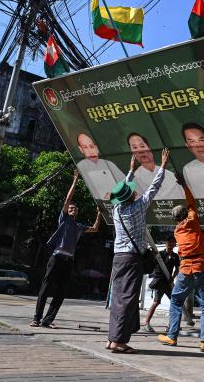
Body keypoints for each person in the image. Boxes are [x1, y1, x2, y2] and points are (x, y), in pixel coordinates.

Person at [107, 149, 169, 354]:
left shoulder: (117, 211)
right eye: (132, 190)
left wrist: (131, 171)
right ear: (131, 196)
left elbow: (122, 193)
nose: (136, 191)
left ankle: (112, 338)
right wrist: (163, 166)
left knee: (118, 297)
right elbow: (154, 188)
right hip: (132, 259)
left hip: (118, 257)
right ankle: (119, 342)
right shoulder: (138, 207)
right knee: (127, 298)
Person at [31, 169, 101, 329]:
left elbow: (95, 229)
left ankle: (47, 320)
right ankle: (36, 318)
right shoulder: (64, 220)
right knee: (46, 288)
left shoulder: (78, 226)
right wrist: (75, 179)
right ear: (67, 210)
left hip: (68, 261)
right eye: (70, 208)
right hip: (56, 257)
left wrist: (99, 214)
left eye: (75, 209)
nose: (73, 210)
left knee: (61, 292)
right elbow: (68, 199)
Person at [157, 174, 204, 352]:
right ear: (186, 214)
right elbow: (191, 202)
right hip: (201, 266)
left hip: (185, 268)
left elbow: (193, 237)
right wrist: (184, 185)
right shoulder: (193, 220)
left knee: (176, 300)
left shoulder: (177, 232)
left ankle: (172, 336)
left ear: (176, 219)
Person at [127, 133, 184, 200]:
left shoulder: (170, 173)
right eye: (135, 147)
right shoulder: (134, 180)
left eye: (142, 146)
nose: (140, 151)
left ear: (149, 148)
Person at [143, 236, 180, 332]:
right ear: (166, 243)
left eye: (173, 243)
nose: (171, 245)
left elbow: (177, 269)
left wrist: (173, 277)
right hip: (160, 281)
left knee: (174, 302)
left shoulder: (175, 256)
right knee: (156, 302)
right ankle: (146, 323)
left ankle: (172, 324)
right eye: (169, 243)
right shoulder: (160, 254)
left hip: (168, 282)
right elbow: (153, 264)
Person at [75, 133, 126, 200]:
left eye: (91, 146)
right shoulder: (81, 167)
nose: (91, 152)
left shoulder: (108, 164)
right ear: (81, 149)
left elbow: (125, 181)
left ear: (96, 148)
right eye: (85, 147)